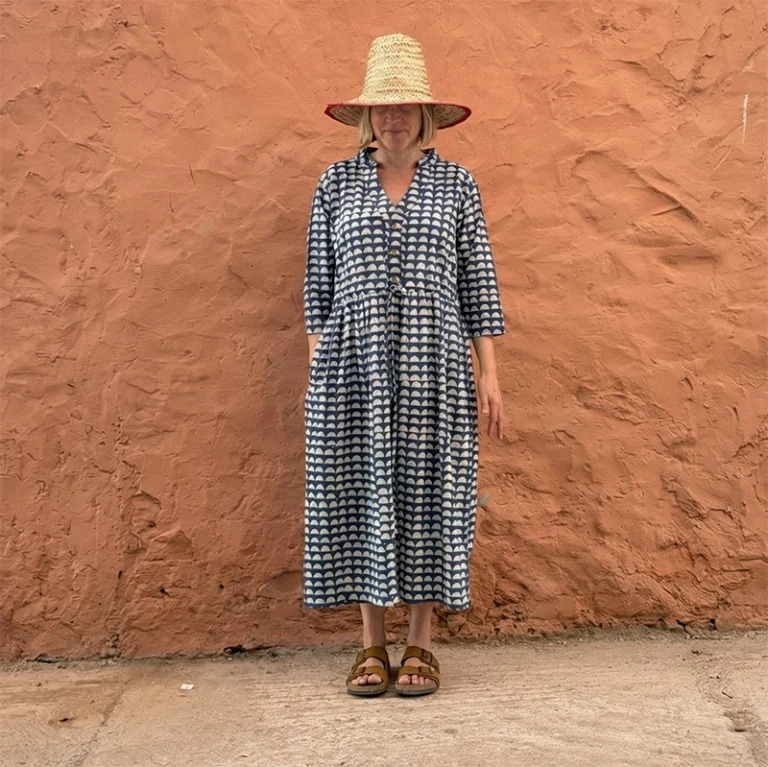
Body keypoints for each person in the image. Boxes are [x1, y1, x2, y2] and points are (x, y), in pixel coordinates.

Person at [303, 33, 505, 697]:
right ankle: (370, 643)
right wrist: (319, 377)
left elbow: (479, 283)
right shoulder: (336, 184)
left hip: (437, 368)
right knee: (363, 491)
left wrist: (490, 374)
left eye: (407, 108)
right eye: (383, 108)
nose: (394, 118)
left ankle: (420, 642)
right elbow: (317, 290)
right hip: (351, 370)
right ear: (367, 117)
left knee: (429, 496)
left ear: (424, 117)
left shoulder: (457, 185)